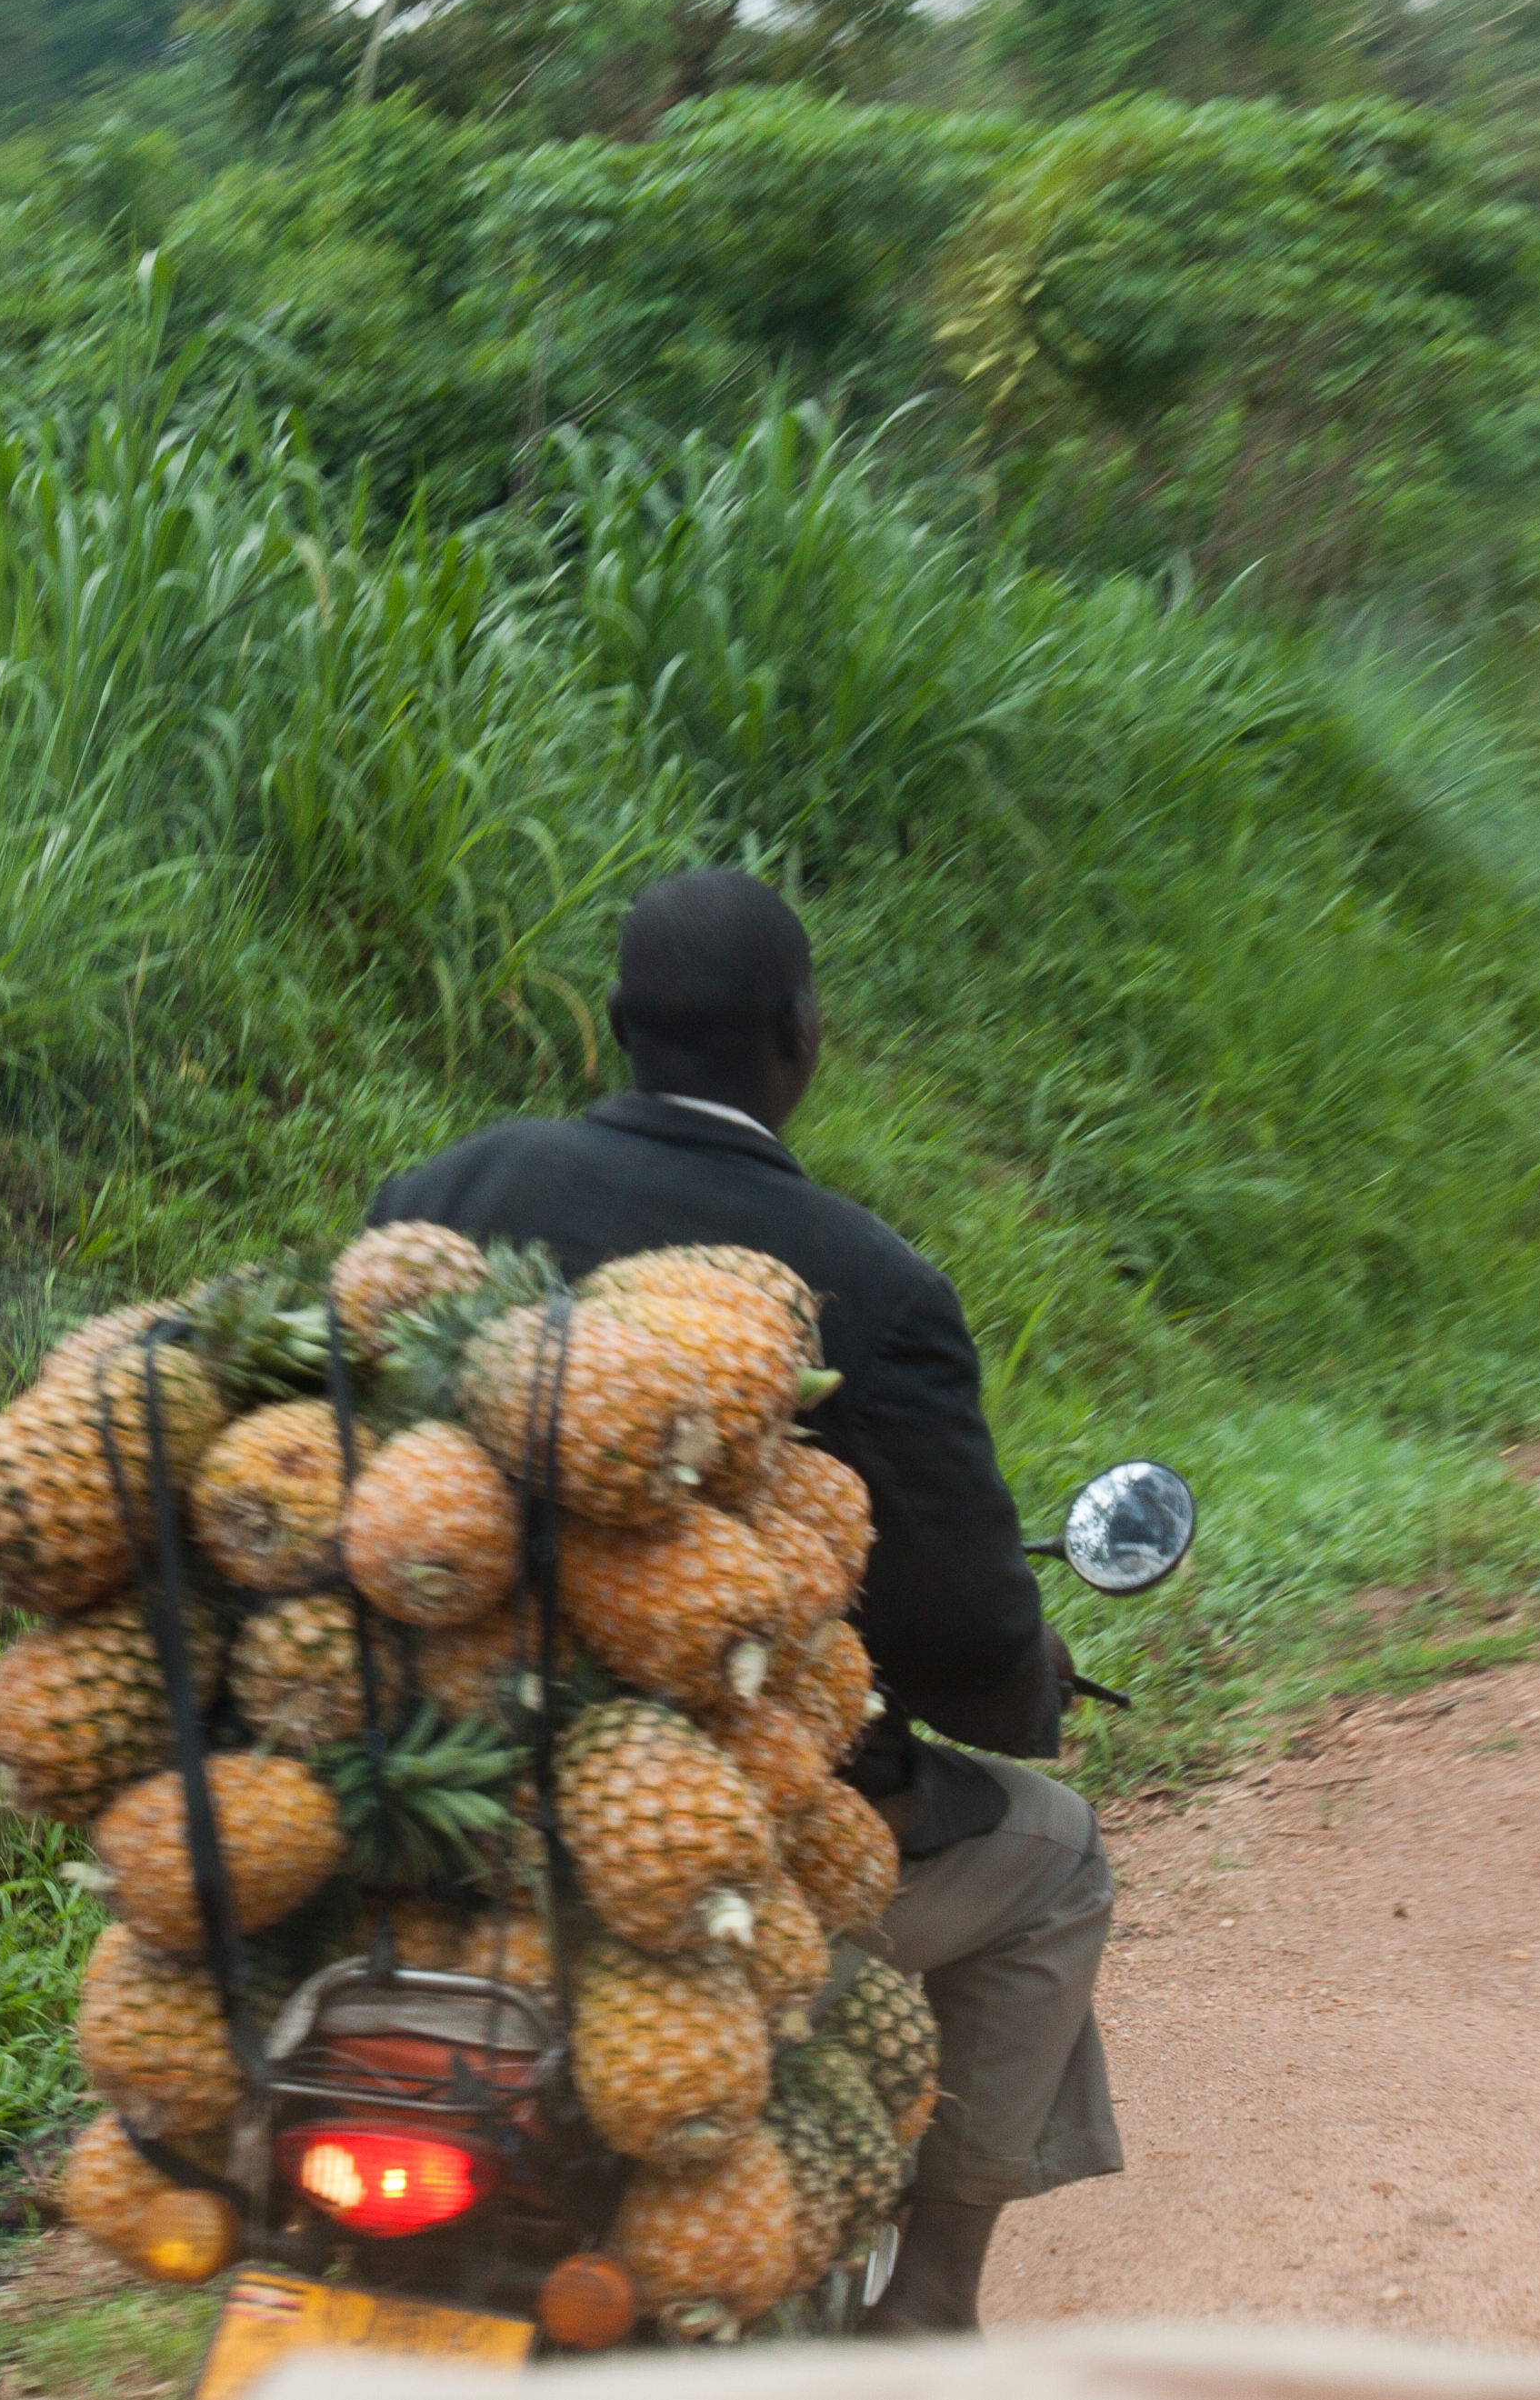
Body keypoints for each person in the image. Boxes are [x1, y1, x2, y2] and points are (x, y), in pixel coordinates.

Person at [365, 866, 1120, 2336]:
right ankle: (932, 2311)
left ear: (616, 1026)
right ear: (800, 1036)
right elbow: (964, 1630)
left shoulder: (443, 1195)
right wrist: (1028, 1691)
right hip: (720, 1835)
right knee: (1056, 1854)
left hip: (423, 1798)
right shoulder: (871, 1283)